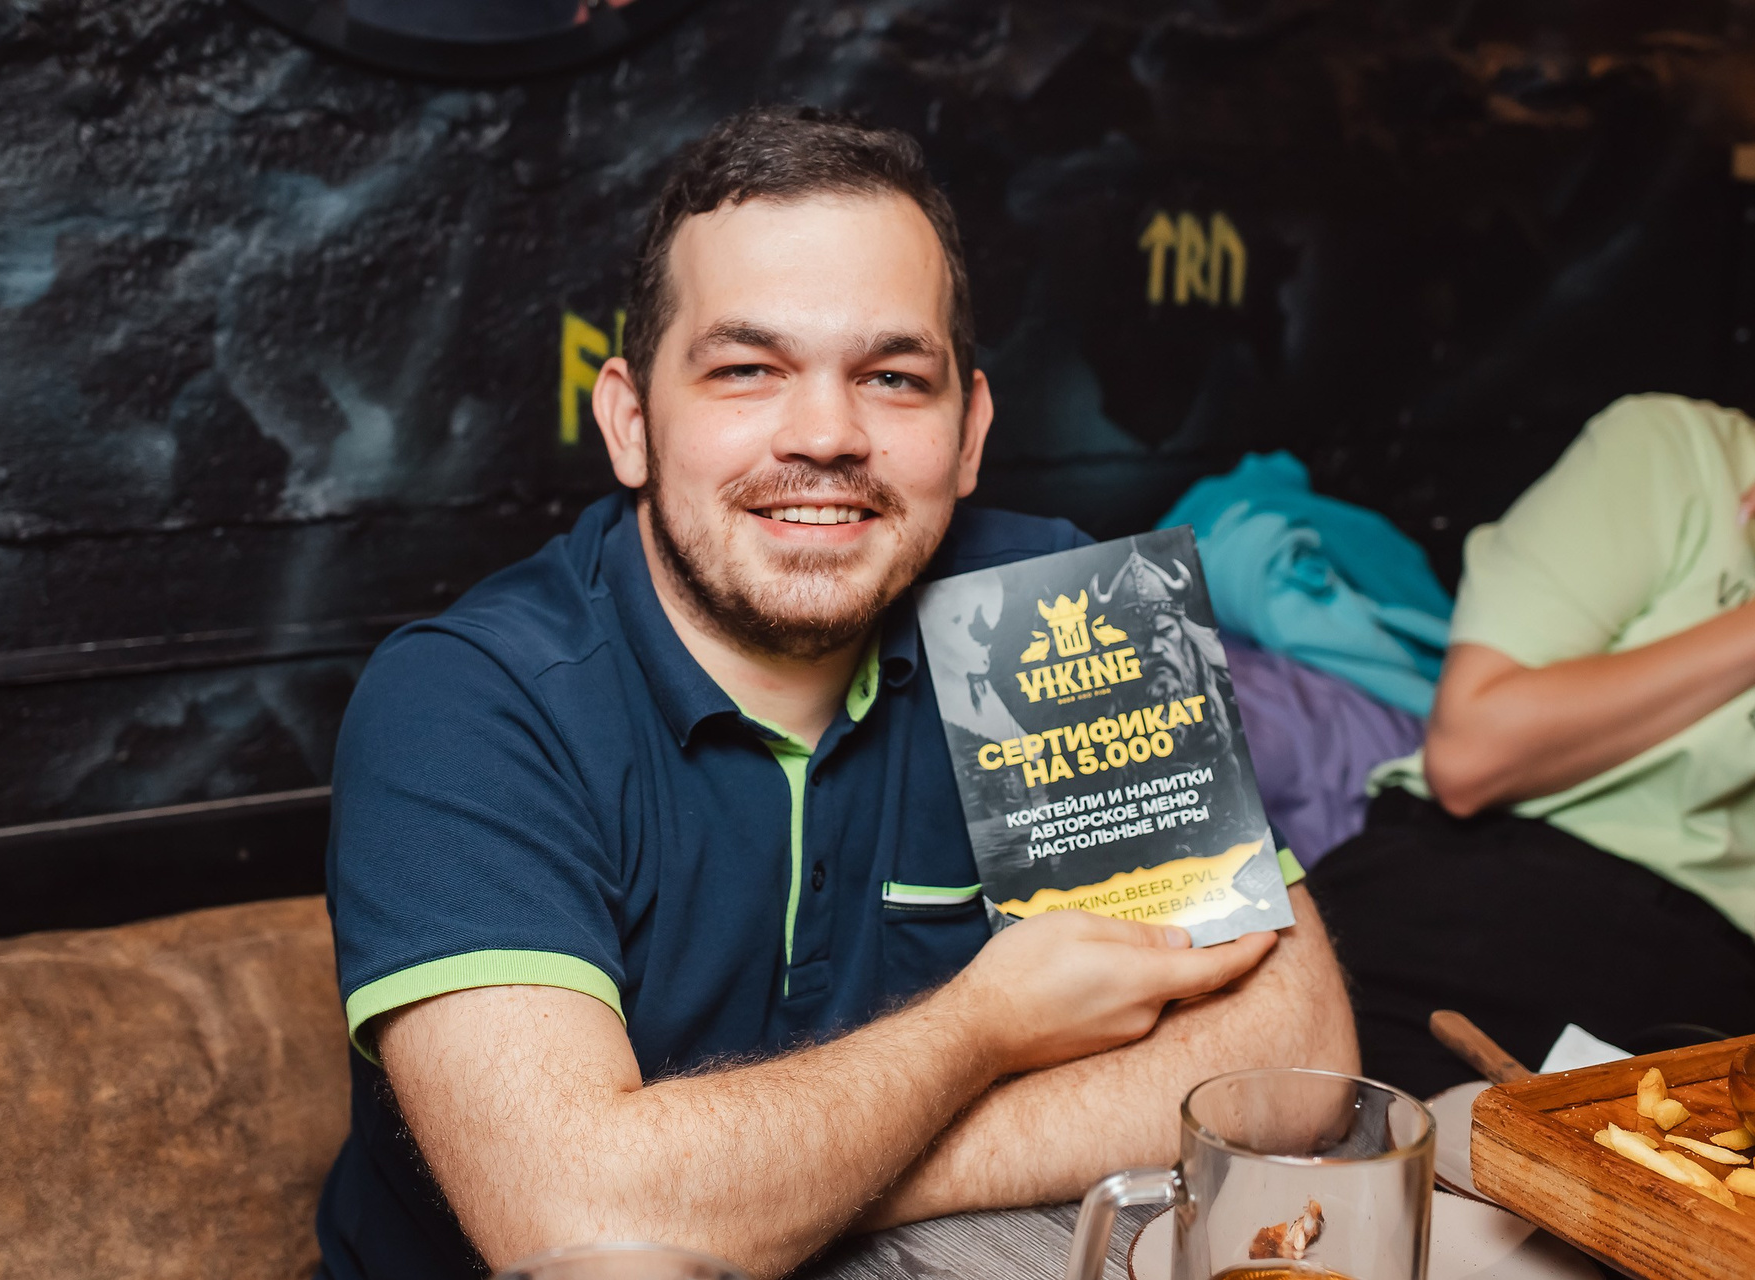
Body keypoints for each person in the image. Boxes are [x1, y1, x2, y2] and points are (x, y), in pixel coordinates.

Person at [316, 106, 1357, 1280]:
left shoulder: (1058, 605)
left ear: (969, 434)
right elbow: (586, 1226)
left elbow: (1296, 1062)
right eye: (747, 369)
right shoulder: (464, 700)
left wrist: (790, 1184)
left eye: (893, 377)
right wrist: (985, 1026)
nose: (826, 433)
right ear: (631, 421)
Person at [1310, 394, 1755, 1098]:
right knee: (1321, 1119)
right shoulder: (1682, 453)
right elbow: (1470, 755)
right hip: (1490, 889)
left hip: (1712, 988)